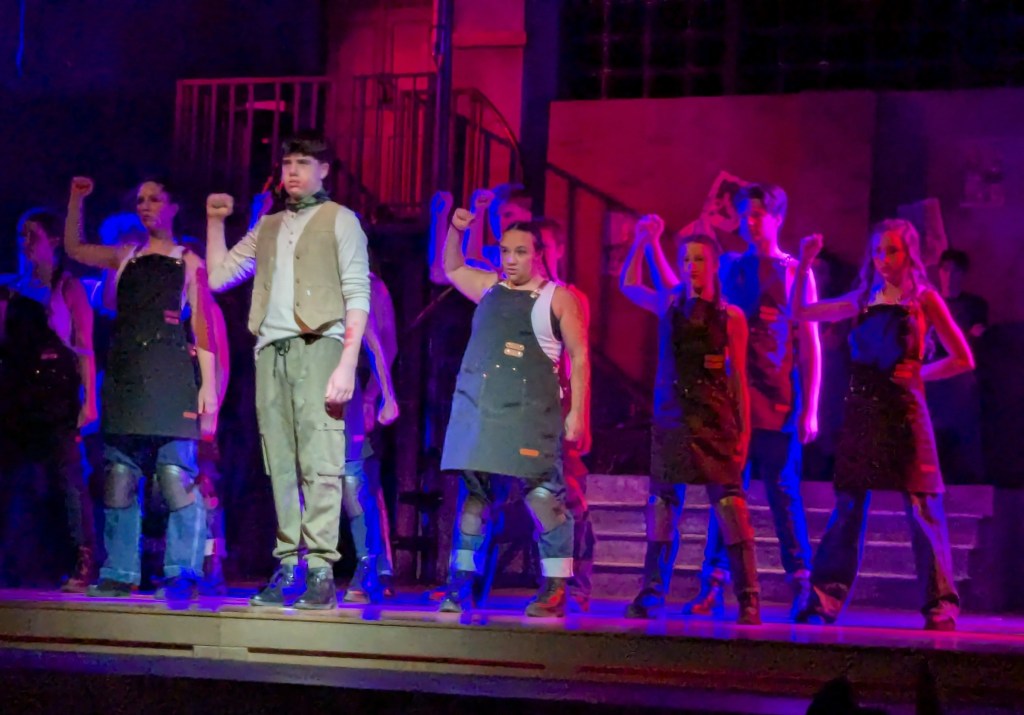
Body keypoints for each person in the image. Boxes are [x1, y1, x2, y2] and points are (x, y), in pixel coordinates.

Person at [205, 132, 371, 610]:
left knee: (321, 460)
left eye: (303, 163)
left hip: (320, 346)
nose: (293, 172)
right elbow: (218, 277)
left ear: (324, 170)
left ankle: (320, 570)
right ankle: (289, 566)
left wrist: (346, 363)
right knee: (279, 462)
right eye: (287, 164)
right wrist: (215, 222)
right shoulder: (269, 225)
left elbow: (357, 293)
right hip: (270, 352)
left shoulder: (341, 219)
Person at [792, 219, 973, 631]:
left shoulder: (924, 299)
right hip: (863, 411)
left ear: (908, 254)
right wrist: (803, 266)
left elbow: (963, 357)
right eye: (877, 252)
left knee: (923, 505)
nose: (883, 259)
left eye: (891, 251)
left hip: (906, 411)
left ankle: (940, 604)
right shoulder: (862, 299)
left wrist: (918, 373)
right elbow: (801, 312)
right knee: (849, 505)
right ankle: (824, 599)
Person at [64, 176, 220, 601]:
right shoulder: (125, 256)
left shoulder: (188, 260)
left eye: (155, 199)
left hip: (170, 377)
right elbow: (74, 248)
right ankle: (118, 570)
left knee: (175, 476)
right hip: (127, 377)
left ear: (173, 207)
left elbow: (203, 326)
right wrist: (77, 199)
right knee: (119, 476)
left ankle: (183, 570)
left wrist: (209, 387)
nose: (146, 206)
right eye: (140, 200)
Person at [437, 209, 590, 617]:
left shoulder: (559, 298)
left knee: (543, 498)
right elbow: (452, 267)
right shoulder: (490, 288)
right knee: (475, 501)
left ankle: (556, 587)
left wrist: (577, 413)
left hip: (531, 414)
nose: (510, 259)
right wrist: (456, 230)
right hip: (481, 410)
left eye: (520, 252)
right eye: (505, 251)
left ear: (538, 254)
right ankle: (461, 582)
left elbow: (579, 356)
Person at [684, 183, 819, 621]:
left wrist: (811, 406)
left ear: (777, 218)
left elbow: (810, 342)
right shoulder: (730, 266)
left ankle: (802, 584)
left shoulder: (795, 271)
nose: (750, 222)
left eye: (758, 214)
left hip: (777, 396)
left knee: (783, 490)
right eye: (745, 215)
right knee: (728, 492)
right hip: (731, 399)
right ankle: (714, 583)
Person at [619, 215, 760, 624]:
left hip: (714, 420)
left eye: (699, 259)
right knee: (662, 505)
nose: (691, 266)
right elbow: (630, 284)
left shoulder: (731, 316)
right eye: (685, 260)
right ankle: (651, 593)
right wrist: (642, 242)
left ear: (713, 265)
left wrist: (745, 431)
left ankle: (748, 598)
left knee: (731, 505)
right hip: (672, 419)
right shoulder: (669, 304)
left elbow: (738, 378)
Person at [5, 208, 100, 590]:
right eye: (21, 234)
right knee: (15, 481)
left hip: (57, 395)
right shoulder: (10, 288)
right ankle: (18, 561)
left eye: (33, 235)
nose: (25, 242)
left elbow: (84, 348)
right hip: (17, 395)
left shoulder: (67, 286)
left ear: (54, 241)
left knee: (68, 480)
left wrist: (89, 400)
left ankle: (83, 558)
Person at [925, 248, 987, 484]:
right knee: (931, 428)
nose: (950, 276)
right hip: (933, 375)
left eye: (956, 271)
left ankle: (969, 479)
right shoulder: (929, 303)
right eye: (946, 270)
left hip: (960, 378)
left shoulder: (973, 305)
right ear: (940, 271)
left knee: (964, 429)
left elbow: (974, 340)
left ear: (964, 274)